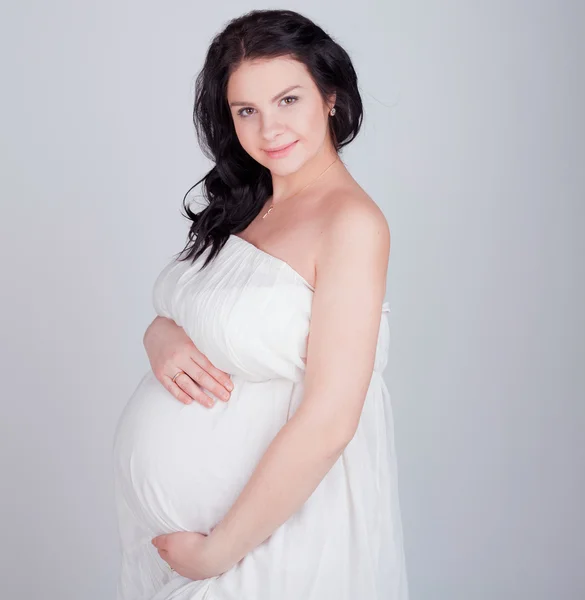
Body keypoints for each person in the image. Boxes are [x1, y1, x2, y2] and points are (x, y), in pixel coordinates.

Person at [112, 8, 409, 600]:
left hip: (273, 541)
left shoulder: (351, 223)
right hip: (193, 547)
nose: (268, 128)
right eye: (246, 110)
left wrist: (217, 550)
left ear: (331, 97)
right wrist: (159, 336)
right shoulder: (247, 203)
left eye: (288, 100)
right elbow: (199, 312)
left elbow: (331, 417)